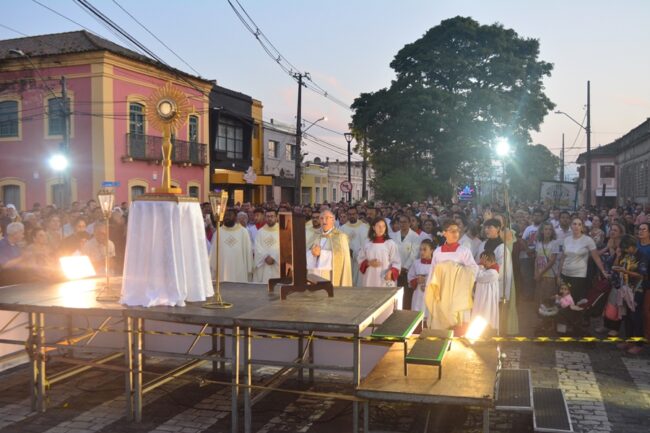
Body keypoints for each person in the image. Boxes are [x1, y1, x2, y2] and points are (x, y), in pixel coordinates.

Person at [423, 219, 478, 330]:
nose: (456, 233)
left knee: (457, 324)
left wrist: (455, 269)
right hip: (441, 292)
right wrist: (430, 288)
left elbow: (473, 269)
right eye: (452, 231)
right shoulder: (438, 252)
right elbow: (433, 271)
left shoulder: (464, 251)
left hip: (457, 293)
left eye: (457, 231)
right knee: (440, 323)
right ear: (444, 233)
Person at [611, 234, 647, 354]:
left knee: (636, 317)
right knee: (626, 316)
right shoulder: (626, 255)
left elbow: (641, 275)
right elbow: (615, 266)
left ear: (632, 246)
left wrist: (625, 271)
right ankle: (629, 340)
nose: (626, 250)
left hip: (637, 290)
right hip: (625, 289)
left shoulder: (642, 256)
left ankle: (639, 344)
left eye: (627, 248)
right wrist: (618, 256)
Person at [558, 217, 608, 301]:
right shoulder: (567, 240)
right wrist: (558, 274)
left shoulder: (588, 240)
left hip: (578, 275)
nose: (576, 226)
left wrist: (603, 271)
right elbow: (563, 258)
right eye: (574, 224)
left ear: (582, 227)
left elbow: (596, 257)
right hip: (565, 273)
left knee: (573, 299)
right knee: (563, 299)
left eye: (579, 224)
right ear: (571, 226)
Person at [306, 210, 353, 286]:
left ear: (333, 220)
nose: (324, 221)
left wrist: (321, 253)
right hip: (314, 273)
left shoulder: (340, 236)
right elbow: (306, 252)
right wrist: (312, 253)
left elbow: (342, 257)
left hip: (329, 275)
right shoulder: (315, 235)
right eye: (321, 218)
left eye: (327, 218)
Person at [209, 209, 253, 283]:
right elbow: (213, 255)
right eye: (225, 215)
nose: (227, 217)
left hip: (240, 268)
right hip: (222, 269)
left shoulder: (243, 232)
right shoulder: (218, 233)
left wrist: (249, 269)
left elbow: (248, 252)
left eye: (229, 215)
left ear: (235, 217)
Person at [358, 217, 401, 289]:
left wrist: (391, 272)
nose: (381, 229)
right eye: (379, 226)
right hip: (370, 278)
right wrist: (368, 263)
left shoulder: (390, 243)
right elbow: (360, 259)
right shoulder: (367, 243)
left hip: (385, 278)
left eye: (383, 226)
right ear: (373, 227)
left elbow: (397, 262)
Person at [477, 218, 512, 301]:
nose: (486, 230)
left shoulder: (502, 249)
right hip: (481, 283)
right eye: (485, 227)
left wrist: (486, 273)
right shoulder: (482, 245)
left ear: (498, 229)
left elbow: (502, 270)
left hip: (495, 285)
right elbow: (477, 262)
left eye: (489, 227)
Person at [390, 215, 421, 308]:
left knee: (406, 294)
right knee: (394, 292)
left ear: (409, 223)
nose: (402, 224)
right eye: (400, 222)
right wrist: (396, 267)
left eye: (405, 222)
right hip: (394, 269)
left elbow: (414, 254)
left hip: (407, 270)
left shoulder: (415, 237)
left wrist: (404, 267)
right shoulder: (393, 236)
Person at [339, 207, 370, 286]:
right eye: (350, 214)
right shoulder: (342, 229)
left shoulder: (365, 227)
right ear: (347, 215)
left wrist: (360, 253)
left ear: (357, 215)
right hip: (348, 259)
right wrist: (349, 251)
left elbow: (368, 243)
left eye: (353, 214)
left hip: (362, 259)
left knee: (360, 281)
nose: (352, 216)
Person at [471, 251, 500, 332]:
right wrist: (481, 266)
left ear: (488, 260)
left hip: (487, 300)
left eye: (484, 261)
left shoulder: (493, 272)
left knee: (485, 314)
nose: (483, 263)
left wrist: (480, 265)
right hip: (482, 298)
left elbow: (478, 277)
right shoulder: (488, 270)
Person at [534, 222, 560, 304]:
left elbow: (552, 261)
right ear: (542, 231)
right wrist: (536, 272)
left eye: (550, 229)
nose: (548, 231)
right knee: (540, 296)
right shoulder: (538, 243)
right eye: (546, 229)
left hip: (550, 275)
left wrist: (540, 273)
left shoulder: (554, 243)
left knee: (549, 297)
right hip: (540, 274)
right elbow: (537, 259)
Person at [408, 239, 434, 316]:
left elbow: (439, 280)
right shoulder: (416, 263)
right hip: (418, 296)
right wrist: (416, 280)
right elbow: (410, 278)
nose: (422, 252)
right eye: (420, 249)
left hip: (430, 296)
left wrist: (427, 283)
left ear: (431, 250)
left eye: (425, 249)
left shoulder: (435, 264)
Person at [253, 209, 280, 283]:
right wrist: (265, 257)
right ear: (265, 217)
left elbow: (284, 247)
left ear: (276, 217)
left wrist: (274, 256)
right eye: (268, 216)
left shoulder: (282, 231)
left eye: (272, 216)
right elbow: (257, 247)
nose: (270, 218)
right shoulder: (260, 232)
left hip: (277, 264)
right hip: (264, 263)